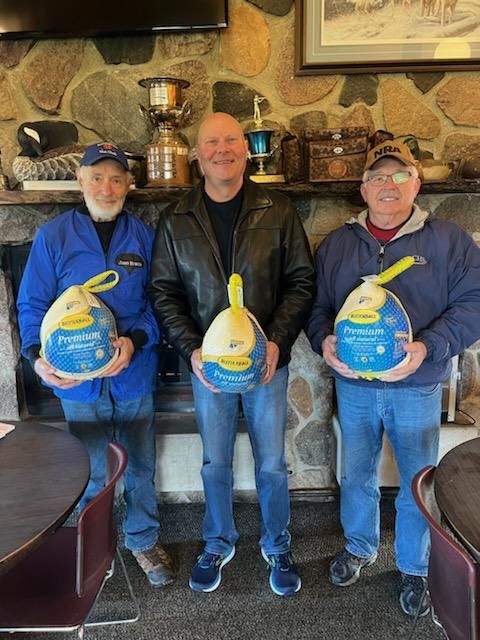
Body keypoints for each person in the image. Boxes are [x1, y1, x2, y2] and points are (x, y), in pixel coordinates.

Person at [306, 140, 480, 616]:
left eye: (399, 175)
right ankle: (359, 546)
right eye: (378, 177)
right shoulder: (339, 245)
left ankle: (414, 566)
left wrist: (429, 347)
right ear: (363, 189)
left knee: (416, 481)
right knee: (356, 475)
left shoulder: (448, 241)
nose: (389, 185)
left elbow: (473, 305)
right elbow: (317, 308)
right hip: (354, 387)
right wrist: (324, 342)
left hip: (416, 385)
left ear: (416, 184)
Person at [149, 112, 314, 596]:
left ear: (246, 149)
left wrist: (276, 341)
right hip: (209, 366)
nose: (222, 149)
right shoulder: (174, 217)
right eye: (211, 142)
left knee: (272, 463)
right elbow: (163, 292)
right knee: (214, 461)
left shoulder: (278, 210)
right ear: (197, 156)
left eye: (230, 140)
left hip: (266, 363)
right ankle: (217, 541)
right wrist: (192, 350)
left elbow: (301, 281)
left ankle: (277, 543)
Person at [17, 142, 175, 589]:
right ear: (81, 181)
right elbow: (32, 304)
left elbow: (160, 302)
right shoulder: (53, 236)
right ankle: (93, 544)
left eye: (116, 179)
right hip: (76, 381)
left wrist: (134, 341)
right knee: (88, 468)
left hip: (133, 372)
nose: (107, 188)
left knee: (140, 464)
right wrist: (37, 358)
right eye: (98, 177)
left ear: (128, 185)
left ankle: (142, 539)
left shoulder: (144, 236)